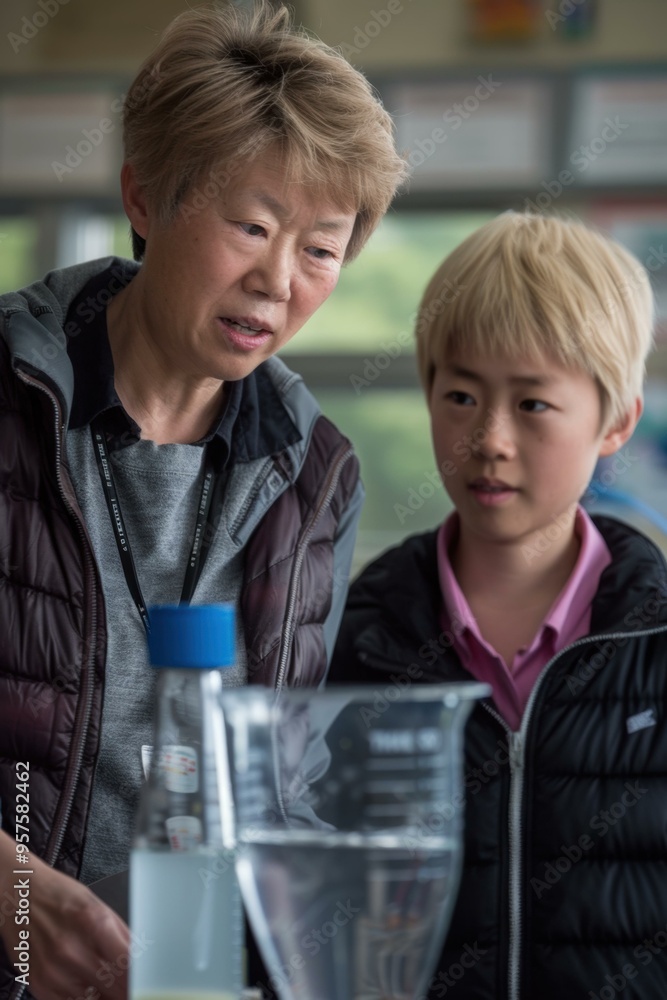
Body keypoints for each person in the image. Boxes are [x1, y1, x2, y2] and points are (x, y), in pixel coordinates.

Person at [0, 3, 408, 997]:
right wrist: (9, 890)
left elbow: (283, 780)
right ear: (145, 197)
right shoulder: (11, 403)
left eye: (321, 248)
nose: (277, 280)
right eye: (251, 227)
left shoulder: (314, 474)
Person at [329, 211, 667, 999]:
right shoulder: (351, 643)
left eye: (532, 405)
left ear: (615, 421)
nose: (488, 440)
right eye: (459, 395)